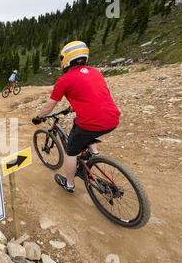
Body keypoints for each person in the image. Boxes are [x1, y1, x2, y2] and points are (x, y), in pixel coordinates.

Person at [32, 41, 121, 193]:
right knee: (78, 123)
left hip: (91, 123)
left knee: (71, 151)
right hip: (112, 118)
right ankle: (94, 153)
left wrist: (39, 117)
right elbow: (92, 94)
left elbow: (49, 106)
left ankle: (69, 184)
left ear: (67, 59)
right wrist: (74, 106)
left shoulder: (65, 79)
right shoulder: (95, 72)